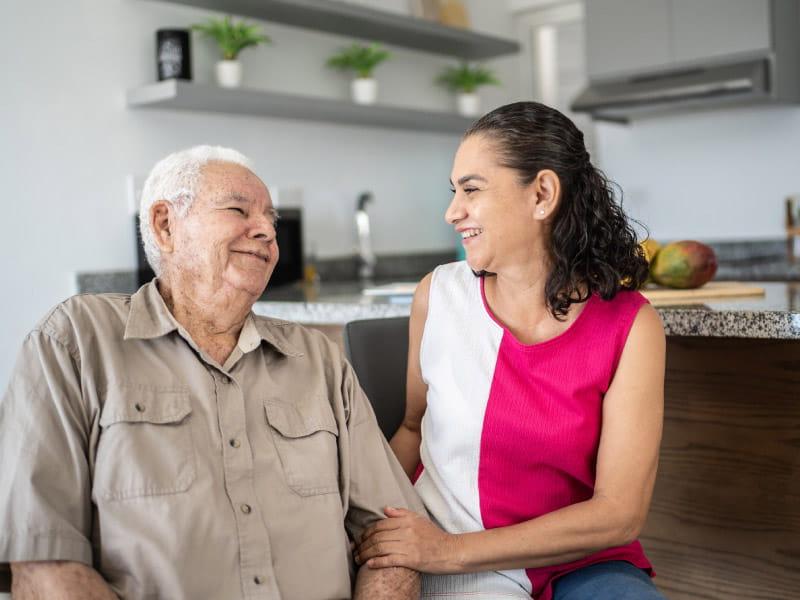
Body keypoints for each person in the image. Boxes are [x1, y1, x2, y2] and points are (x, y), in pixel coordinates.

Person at [0, 146, 424, 600]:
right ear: (165, 226)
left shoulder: (317, 359)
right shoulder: (75, 342)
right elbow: (42, 561)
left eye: (271, 220)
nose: (265, 230)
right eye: (238, 209)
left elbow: (395, 542)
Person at [355, 102, 668, 600]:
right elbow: (413, 428)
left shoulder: (632, 325)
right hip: (454, 563)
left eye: (471, 189)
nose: (452, 211)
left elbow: (619, 513)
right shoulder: (437, 296)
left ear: (542, 194)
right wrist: (375, 528)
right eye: (454, 191)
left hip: (575, 563)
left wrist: (448, 549)